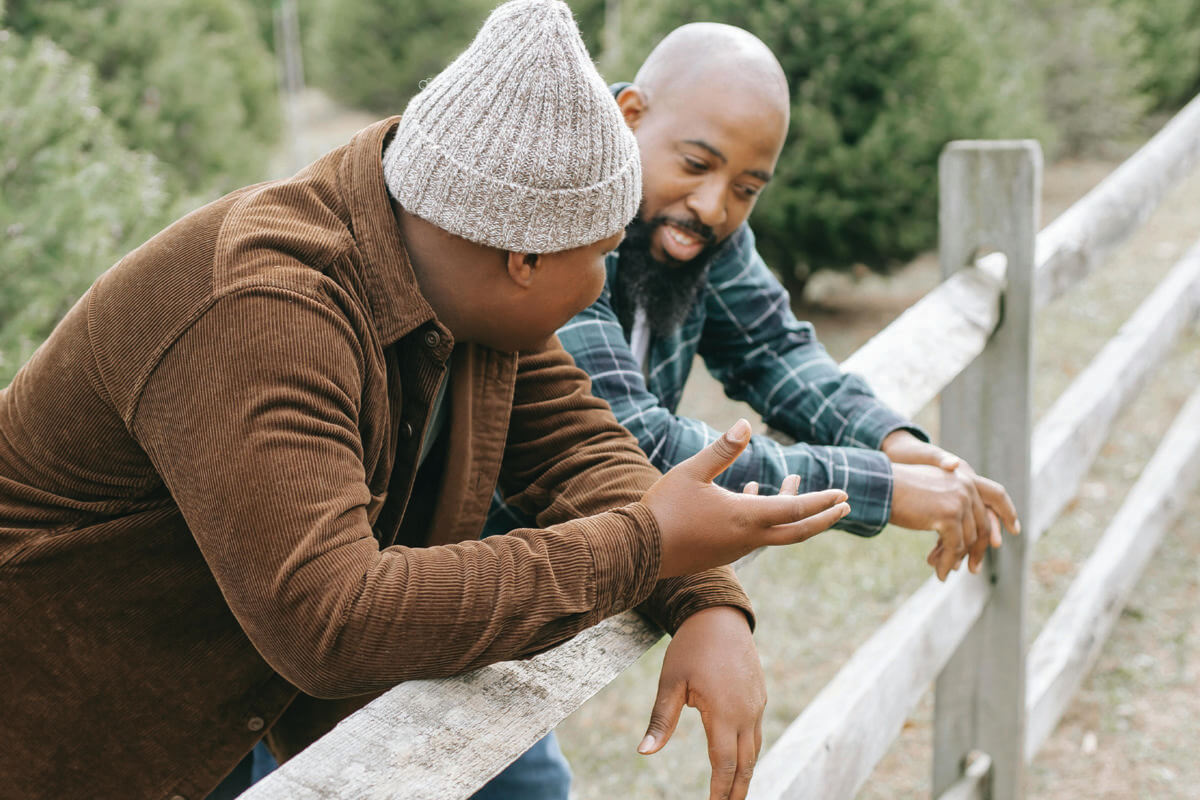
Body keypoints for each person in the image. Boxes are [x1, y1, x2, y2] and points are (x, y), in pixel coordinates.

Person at [0, 4, 851, 798]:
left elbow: (578, 451)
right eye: (599, 254)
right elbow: (331, 619)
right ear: (524, 256)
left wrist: (703, 598)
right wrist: (644, 546)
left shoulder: (452, 264)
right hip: (66, 740)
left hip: (222, 708)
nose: (604, 281)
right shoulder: (259, 306)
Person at [481, 21, 1022, 800]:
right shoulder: (556, 213)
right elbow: (633, 442)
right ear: (630, 116)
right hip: (419, 572)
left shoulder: (699, 223)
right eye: (696, 165)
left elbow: (773, 350)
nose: (713, 205)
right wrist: (878, 487)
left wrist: (900, 442)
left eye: (746, 188)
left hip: (519, 615)